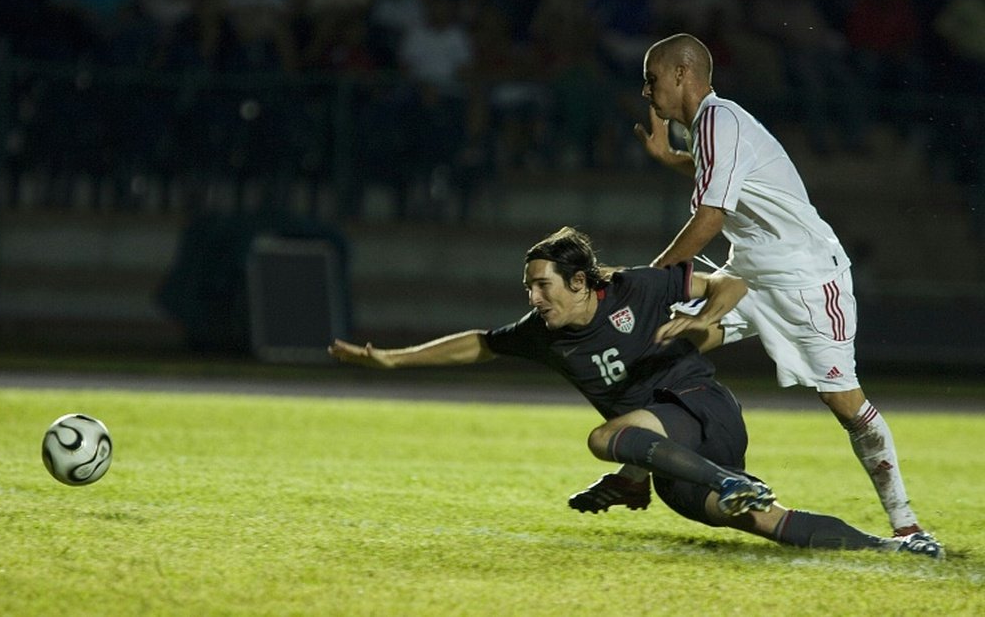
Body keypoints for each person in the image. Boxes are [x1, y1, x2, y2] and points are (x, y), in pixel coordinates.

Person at [328, 226, 942, 558]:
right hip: (679, 458)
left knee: (604, 436)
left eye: (542, 286)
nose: (533, 298)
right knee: (767, 525)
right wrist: (390, 359)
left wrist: (704, 321)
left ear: (579, 281)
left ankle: (712, 480)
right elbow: (479, 343)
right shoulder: (542, 333)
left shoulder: (634, 288)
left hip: (706, 412)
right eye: (528, 287)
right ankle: (894, 551)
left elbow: (728, 285)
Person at [574, 32, 931, 542]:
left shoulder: (719, 121)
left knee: (843, 402)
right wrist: (673, 158)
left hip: (806, 279)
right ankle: (635, 478)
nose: (646, 93)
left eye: (652, 80)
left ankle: (909, 526)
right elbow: (732, 180)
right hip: (750, 275)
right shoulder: (713, 127)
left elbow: (709, 219)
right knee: (662, 341)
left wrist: (651, 279)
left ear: (681, 74)